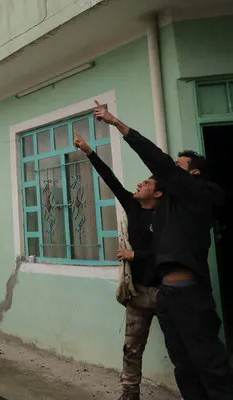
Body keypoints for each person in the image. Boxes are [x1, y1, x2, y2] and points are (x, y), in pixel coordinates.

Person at [93, 100, 233, 399]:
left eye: (178, 167)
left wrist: (117, 123)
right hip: (167, 298)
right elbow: (123, 186)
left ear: (192, 176)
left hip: (190, 298)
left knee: (210, 367)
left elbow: (157, 160)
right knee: (183, 368)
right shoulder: (166, 207)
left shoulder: (197, 195)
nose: (168, 173)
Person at [74, 133, 163, 400]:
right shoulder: (133, 209)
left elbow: (170, 252)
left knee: (180, 346)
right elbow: (110, 178)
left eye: (146, 183)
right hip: (137, 292)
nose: (139, 184)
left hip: (166, 293)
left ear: (157, 193)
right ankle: (129, 393)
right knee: (132, 349)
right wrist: (89, 152)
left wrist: (134, 255)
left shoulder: (169, 216)